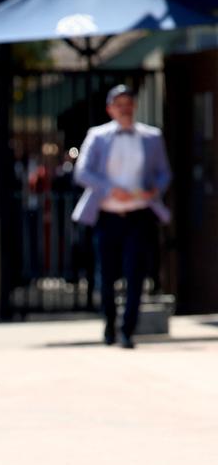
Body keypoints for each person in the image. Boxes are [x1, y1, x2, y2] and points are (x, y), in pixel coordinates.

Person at [71, 84, 172, 349]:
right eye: (119, 104)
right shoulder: (98, 136)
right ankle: (109, 324)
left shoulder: (151, 137)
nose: (125, 109)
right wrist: (109, 188)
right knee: (107, 275)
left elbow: (164, 173)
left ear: (134, 106)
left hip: (139, 214)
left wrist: (154, 189)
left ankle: (128, 330)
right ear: (110, 109)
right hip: (107, 214)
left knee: (135, 273)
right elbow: (82, 172)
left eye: (129, 103)